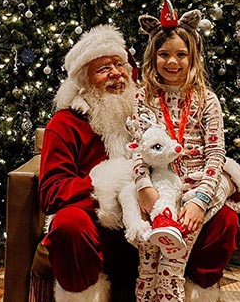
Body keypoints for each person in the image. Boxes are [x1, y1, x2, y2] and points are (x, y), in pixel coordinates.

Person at [131, 0, 240, 302]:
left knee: (174, 257)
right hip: (160, 185)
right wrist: (144, 187)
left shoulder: (207, 100)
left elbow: (216, 154)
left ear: (193, 57)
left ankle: (172, 292)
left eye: (181, 55)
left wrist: (200, 200)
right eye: (164, 54)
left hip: (200, 185)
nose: (172, 62)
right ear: (153, 57)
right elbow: (136, 148)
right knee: (148, 257)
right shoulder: (143, 97)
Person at [38, 24, 139, 302]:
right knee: (68, 222)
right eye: (104, 69)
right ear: (83, 81)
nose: (116, 73)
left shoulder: (147, 115)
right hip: (94, 230)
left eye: (119, 64)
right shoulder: (65, 124)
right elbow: (51, 192)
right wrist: (105, 186)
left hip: (147, 224)